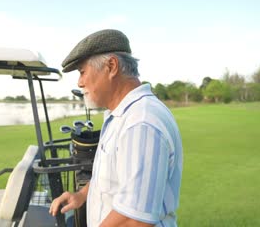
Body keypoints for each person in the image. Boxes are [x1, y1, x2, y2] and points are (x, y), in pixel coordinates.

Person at [49, 29, 183, 227]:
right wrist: (81, 195)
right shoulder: (120, 115)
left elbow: (135, 220)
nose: (80, 82)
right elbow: (112, 179)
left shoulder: (140, 123)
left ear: (111, 66)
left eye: (82, 71)